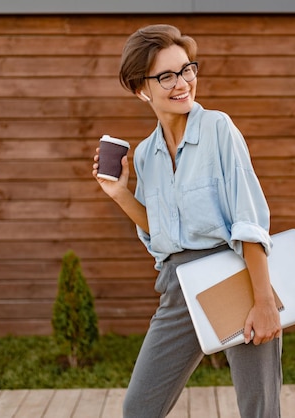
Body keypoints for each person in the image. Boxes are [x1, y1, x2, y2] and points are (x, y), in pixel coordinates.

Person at [92, 24, 282, 418]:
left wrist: (264, 302)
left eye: (187, 70)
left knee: (259, 409)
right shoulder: (145, 155)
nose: (182, 84)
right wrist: (119, 193)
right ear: (140, 89)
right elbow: (159, 230)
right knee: (139, 408)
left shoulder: (218, 129)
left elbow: (247, 219)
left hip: (236, 278)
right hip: (179, 286)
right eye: (166, 76)